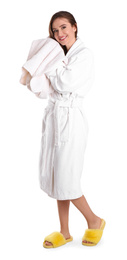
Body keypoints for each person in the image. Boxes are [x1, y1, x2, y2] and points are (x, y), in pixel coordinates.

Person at [20, 11, 106, 248]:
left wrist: (49, 63)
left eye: (64, 27)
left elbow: (64, 82)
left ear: (75, 27)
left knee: (68, 177)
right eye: (55, 31)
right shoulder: (62, 54)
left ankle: (94, 220)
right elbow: (47, 88)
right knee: (57, 175)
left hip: (71, 119)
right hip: (55, 116)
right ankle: (65, 231)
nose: (60, 34)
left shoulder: (84, 55)